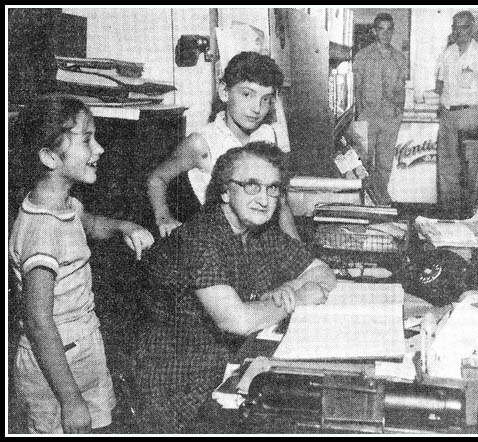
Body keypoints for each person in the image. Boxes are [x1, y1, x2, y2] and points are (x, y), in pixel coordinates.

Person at [135, 142, 337, 433]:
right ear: (226, 192)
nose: (264, 199)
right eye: (251, 186)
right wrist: (298, 298)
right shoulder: (201, 238)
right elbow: (236, 320)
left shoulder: (260, 233)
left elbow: (322, 272)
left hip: (229, 367)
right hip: (179, 388)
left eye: (273, 188)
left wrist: (289, 286)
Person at [8, 95, 155, 434]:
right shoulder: (42, 231)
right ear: (49, 157)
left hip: (84, 347)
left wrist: (123, 226)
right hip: (56, 373)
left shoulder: (66, 205)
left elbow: (88, 223)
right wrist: (71, 399)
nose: (99, 148)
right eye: (87, 139)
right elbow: (38, 320)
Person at [147, 51, 300, 240]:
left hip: (256, 237)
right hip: (215, 240)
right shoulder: (201, 142)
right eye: (247, 94)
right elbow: (157, 178)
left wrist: (299, 251)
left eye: (266, 99)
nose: (257, 108)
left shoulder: (267, 134)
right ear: (224, 92)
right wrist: (163, 218)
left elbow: (281, 202)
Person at [435, 10, 478, 217]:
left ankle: (471, 215)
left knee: (472, 169)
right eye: (455, 27)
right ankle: (450, 214)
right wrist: (441, 106)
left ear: (472, 28)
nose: (459, 31)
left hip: (472, 115)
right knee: (447, 168)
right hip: (448, 116)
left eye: (464, 27)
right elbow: (440, 83)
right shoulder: (448, 52)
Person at [353, 12, 408, 205]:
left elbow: (401, 90)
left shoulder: (399, 58)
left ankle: (380, 201)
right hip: (368, 117)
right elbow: (357, 89)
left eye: (389, 29)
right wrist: (359, 117)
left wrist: (398, 112)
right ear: (374, 31)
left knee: (385, 163)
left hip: (390, 118)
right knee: (364, 162)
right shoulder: (362, 56)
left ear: (392, 31)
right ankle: (365, 200)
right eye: (381, 29)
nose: (385, 33)